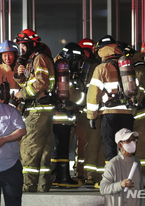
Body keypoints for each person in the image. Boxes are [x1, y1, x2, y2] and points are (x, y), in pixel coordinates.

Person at [13, 29, 55, 192]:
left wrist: (21, 94)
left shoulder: (39, 59)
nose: (21, 50)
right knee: (43, 150)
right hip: (43, 109)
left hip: (38, 110)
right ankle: (43, 185)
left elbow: (40, 84)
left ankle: (27, 186)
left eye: (23, 46)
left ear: (30, 45)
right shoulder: (36, 59)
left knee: (29, 148)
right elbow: (32, 84)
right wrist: (20, 76)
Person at [86, 35, 134, 162]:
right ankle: (127, 178)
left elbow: (93, 94)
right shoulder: (127, 66)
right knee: (127, 148)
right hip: (127, 114)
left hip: (110, 114)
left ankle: (113, 179)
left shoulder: (101, 68)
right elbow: (136, 90)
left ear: (101, 50)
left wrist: (92, 116)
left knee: (110, 149)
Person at [118, 41, 145, 175]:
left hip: (142, 115)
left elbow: (138, 94)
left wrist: (130, 114)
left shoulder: (139, 70)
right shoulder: (142, 68)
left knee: (143, 147)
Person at [51, 42, 85, 188]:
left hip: (53, 116)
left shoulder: (54, 66)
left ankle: (54, 176)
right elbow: (76, 96)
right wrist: (84, 97)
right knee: (62, 148)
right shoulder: (63, 72)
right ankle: (63, 178)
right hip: (62, 117)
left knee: (56, 148)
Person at [100, 128, 145, 206]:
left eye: (134, 139)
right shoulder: (113, 164)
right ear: (120, 144)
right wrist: (121, 184)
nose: (132, 142)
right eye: (128, 140)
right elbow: (103, 188)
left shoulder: (136, 161)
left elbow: (139, 181)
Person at [75, 38, 105, 187]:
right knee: (93, 144)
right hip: (93, 112)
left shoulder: (82, 67)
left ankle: (86, 175)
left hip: (85, 112)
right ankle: (92, 176)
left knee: (86, 144)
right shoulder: (96, 66)